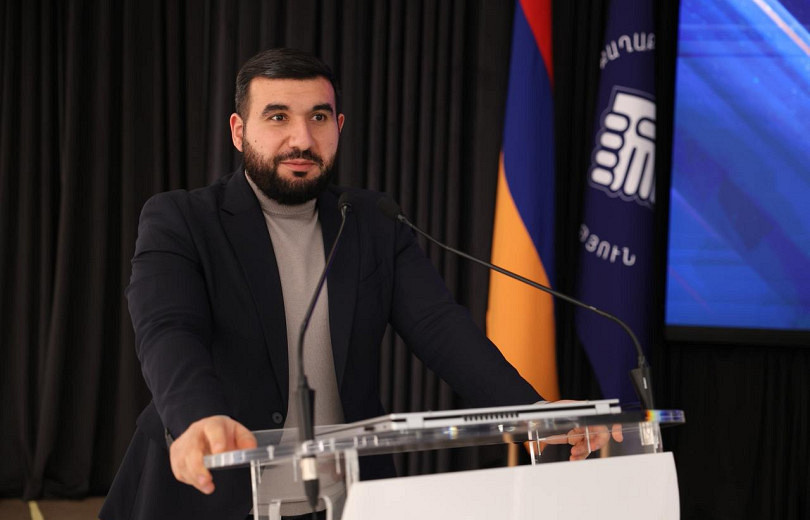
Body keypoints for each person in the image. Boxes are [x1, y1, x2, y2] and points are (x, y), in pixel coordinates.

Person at [100, 48, 611, 520]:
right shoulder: (182, 219)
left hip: (347, 500)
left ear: (339, 126)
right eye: (277, 117)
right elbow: (168, 329)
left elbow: (441, 329)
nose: (302, 139)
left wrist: (532, 412)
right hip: (209, 494)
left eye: (318, 118)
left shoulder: (370, 220)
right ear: (238, 130)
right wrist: (198, 417)